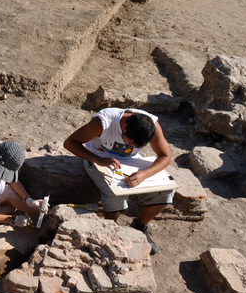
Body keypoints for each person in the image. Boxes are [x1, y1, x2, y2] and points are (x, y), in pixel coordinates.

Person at [63, 107, 173, 255]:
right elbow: (70, 143)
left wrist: (144, 174)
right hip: (97, 160)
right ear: (124, 127)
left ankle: (140, 226)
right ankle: (110, 230)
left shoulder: (151, 125)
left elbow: (165, 156)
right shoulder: (103, 123)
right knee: (117, 193)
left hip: (131, 163)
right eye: (131, 143)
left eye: (136, 146)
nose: (132, 147)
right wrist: (98, 159)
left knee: (166, 190)